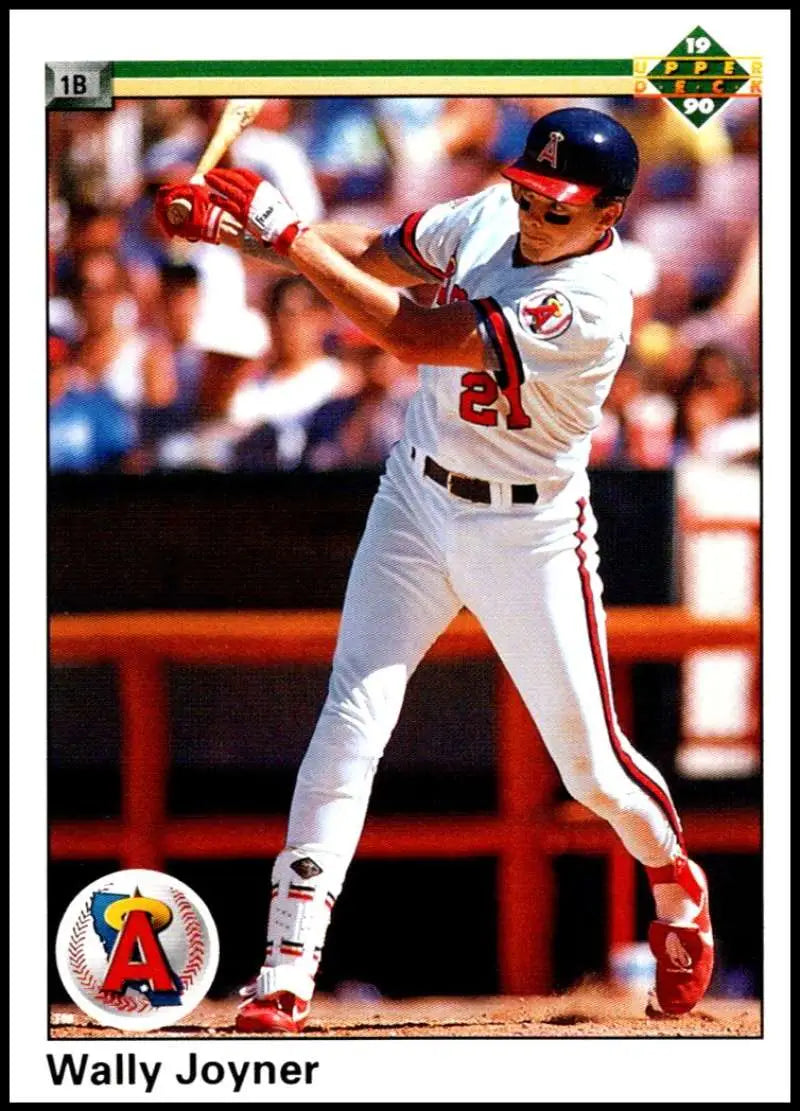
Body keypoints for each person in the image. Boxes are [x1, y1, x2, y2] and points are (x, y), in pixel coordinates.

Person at [155, 106, 714, 1031]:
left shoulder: (593, 299)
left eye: (558, 204)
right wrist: (238, 233)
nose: (534, 212)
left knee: (591, 768)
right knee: (353, 711)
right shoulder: (491, 212)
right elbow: (369, 256)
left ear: (607, 212)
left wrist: (282, 231)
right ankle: (286, 964)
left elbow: (416, 335)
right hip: (416, 493)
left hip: (528, 531)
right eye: (529, 188)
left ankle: (673, 878)